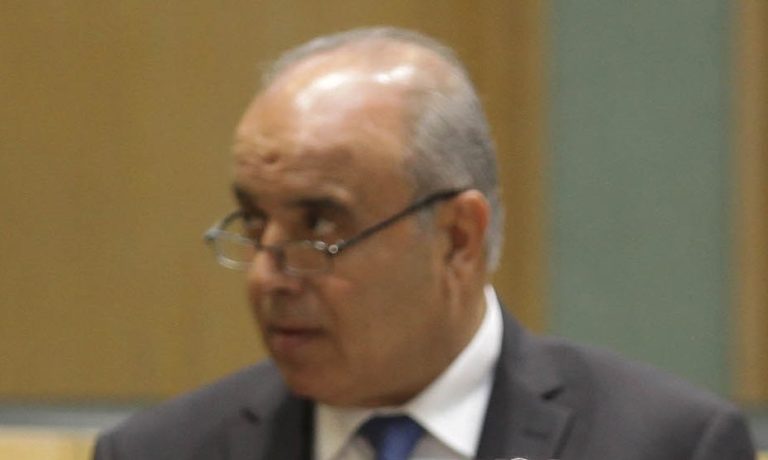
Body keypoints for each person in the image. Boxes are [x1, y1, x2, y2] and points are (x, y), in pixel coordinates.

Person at [92, 27, 755, 460]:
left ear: (458, 239)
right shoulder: (160, 452)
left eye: (319, 225)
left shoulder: (667, 446)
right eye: (254, 221)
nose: (268, 276)